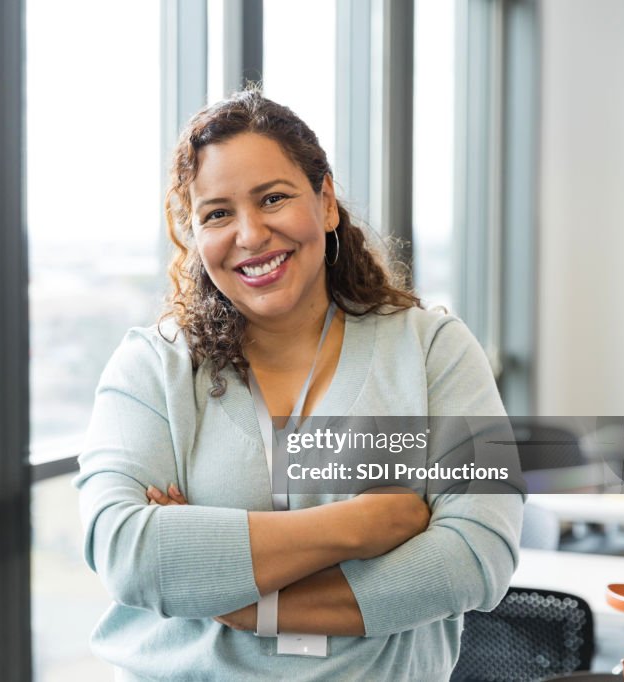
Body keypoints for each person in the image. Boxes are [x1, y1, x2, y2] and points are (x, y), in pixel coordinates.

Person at [73, 89, 523, 681]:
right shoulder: (151, 367)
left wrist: (232, 595)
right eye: (217, 213)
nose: (251, 234)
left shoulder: (434, 351)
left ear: (327, 202)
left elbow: (475, 554)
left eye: (274, 198)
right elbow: (126, 552)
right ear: (196, 235)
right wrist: (364, 525)